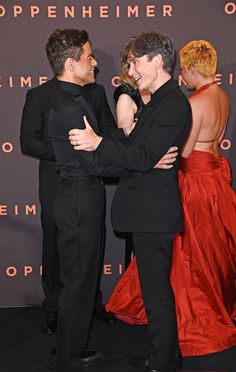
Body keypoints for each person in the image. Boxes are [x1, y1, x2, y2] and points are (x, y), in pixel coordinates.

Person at [104, 39, 236, 360]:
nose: (182, 79)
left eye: (185, 73)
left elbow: (184, 151)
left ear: (190, 68)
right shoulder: (222, 96)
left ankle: (186, 329)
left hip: (195, 182)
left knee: (190, 260)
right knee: (216, 252)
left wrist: (159, 155)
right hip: (217, 178)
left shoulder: (193, 103)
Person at [69, 31, 192, 372]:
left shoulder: (172, 104)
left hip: (153, 214)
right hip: (146, 211)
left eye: (135, 61)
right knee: (155, 292)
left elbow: (140, 156)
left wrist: (98, 145)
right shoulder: (157, 101)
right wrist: (99, 154)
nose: (131, 69)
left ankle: (164, 362)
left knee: (156, 294)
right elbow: (136, 155)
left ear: (156, 60)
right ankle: (165, 356)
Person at [20, 33, 116, 333]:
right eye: (89, 57)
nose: (96, 65)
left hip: (89, 181)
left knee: (92, 243)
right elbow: (28, 142)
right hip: (55, 180)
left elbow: (110, 132)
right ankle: (54, 307)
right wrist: (67, 151)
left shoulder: (97, 93)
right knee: (55, 245)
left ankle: (91, 302)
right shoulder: (40, 95)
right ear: (70, 61)